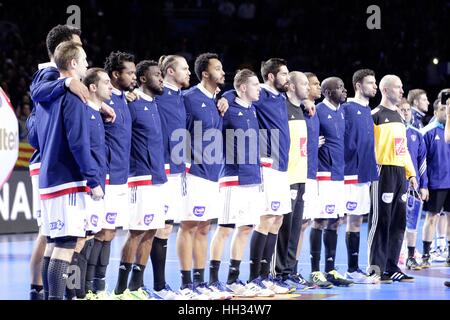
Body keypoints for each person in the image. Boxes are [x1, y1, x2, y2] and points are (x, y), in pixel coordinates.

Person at [36, 41, 103, 300]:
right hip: (68, 180)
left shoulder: (45, 96)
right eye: (84, 60)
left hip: (49, 177)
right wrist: (93, 179)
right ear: (73, 63)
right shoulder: (74, 95)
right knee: (65, 246)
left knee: (53, 244)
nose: (87, 64)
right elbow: (78, 142)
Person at [211, 69, 270, 297]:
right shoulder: (226, 108)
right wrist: (224, 96)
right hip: (232, 177)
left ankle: (234, 279)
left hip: (252, 177)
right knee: (225, 228)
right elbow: (223, 96)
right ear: (243, 88)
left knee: (245, 228)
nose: (259, 88)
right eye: (255, 85)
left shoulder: (253, 108)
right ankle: (213, 280)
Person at [112, 60, 168, 300]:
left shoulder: (155, 104)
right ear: (143, 79)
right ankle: (120, 288)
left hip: (157, 176)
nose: (161, 79)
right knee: (136, 232)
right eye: (157, 75)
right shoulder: (130, 103)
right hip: (138, 176)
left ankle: (136, 286)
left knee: (151, 231)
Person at [176, 53, 230, 300]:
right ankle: (186, 284)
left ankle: (200, 281)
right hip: (193, 173)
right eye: (218, 69)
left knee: (204, 227)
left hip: (213, 174)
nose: (223, 72)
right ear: (205, 73)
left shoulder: (217, 100)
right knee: (188, 226)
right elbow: (178, 133)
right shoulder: (188, 98)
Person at [86, 51, 136, 297]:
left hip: (121, 176)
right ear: (116, 74)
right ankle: (87, 287)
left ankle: (99, 285)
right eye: (130, 73)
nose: (134, 77)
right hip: (105, 176)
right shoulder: (98, 102)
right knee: (97, 232)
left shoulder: (125, 99)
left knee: (110, 231)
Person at [368, 75, 418, 283]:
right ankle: (375, 268)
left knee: (399, 222)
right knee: (380, 221)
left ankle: (391, 266)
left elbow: (403, 148)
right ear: (386, 90)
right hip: (383, 173)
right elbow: (368, 147)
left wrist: (411, 173)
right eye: (398, 87)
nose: (401, 91)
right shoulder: (375, 115)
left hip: (400, 174)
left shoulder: (399, 116)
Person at [309, 77, 353, 287]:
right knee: (320, 220)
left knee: (336, 221)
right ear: (327, 92)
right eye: (340, 88)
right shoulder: (316, 110)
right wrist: (312, 143)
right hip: (323, 174)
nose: (344, 91)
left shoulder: (342, 112)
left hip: (339, 174)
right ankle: (315, 271)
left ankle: (331, 269)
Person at [340, 69, 379, 284]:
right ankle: (343, 269)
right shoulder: (346, 108)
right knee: (339, 221)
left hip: (365, 174)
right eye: (370, 83)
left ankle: (353, 270)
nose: (374, 86)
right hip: (349, 173)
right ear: (358, 85)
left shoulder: (367, 111)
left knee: (356, 221)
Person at [273, 71, 310, 290]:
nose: (307, 87)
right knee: (283, 228)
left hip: (301, 176)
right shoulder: (281, 106)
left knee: (295, 227)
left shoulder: (302, 109)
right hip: (285, 177)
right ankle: (278, 272)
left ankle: (289, 270)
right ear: (293, 87)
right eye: (304, 83)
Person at [398, 99, 428, 271]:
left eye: (408, 109)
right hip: (395, 183)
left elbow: (422, 162)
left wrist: (424, 185)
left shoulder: (417, 133)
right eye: (402, 110)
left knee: (412, 223)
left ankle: (410, 257)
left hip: (414, 186)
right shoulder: (390, 131)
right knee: (396, 222)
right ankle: (397, 254)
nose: (406, 112)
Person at [420, 100, 450, 269]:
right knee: (432, 218)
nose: (446, 112)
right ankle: (426, 255)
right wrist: (423, 184)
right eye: (442, 109)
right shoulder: (428, 132)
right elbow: (421, 161)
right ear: (436, 111)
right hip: (436, 184)